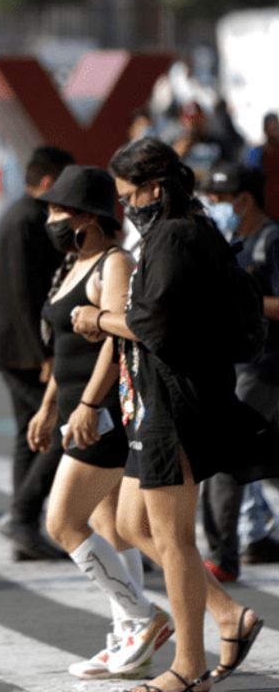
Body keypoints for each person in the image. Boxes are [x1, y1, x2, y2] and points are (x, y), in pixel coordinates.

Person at [73, 138, 271, 692]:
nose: (125, 206)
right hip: (155, 401)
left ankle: (188, 669)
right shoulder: (176, 231)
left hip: (176, 403)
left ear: (154, 188)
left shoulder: (177, 235)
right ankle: (228, 616)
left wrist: (97, 318)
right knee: (132, 524)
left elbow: (154, 325)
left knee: (174, 536)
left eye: (128, 194)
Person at [25, 166, 171, 680]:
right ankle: (130, 639)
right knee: (110, 527)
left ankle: (142, 618)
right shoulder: (73, 262)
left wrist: (88, 405)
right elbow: (63, 345)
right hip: (72, 406)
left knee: (62, 523)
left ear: (87, 216)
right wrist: (48, 408)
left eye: (58, 210)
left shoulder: (114, 263)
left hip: (102, 411)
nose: (50, 219)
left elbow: (117, 339)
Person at [0, 145, 74, 561]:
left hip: (14, 344)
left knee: (28, 434)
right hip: (23, 348)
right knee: (59, 428)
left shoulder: (25, 215)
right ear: (50, 181)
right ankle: (22, 514)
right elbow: (24, 293)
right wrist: (45, 353)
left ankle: (25, 529)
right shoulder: (27, 219)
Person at [197, 164, 279, 580]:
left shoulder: (271, 241)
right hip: (238, 364)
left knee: (224, 457)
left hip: (265, 366)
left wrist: (241, 296)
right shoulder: (230, 241)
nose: (214, 206)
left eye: (221, 199)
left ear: (244, 199)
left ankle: (221, 556)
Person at [245, 112, 279, 220]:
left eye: (276, 128)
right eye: (271, 128)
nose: (275, 132)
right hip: (265, 208)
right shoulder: (256, 154)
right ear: (265, 130)